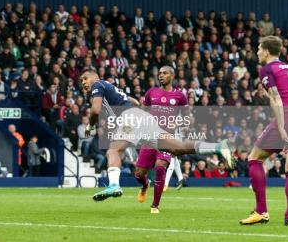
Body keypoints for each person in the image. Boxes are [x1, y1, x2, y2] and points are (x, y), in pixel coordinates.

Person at [82, 70, 233, 202]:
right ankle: (218, 147)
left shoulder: (98, 85)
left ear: (94, 77)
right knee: (177, 148)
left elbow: (95, 110)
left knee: (113, 150)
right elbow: (131, 100)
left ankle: (114, 185)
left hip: (129, 118)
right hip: (143, 118)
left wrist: (90, 125)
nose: (83, 82)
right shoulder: (110, 87)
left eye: (85, 79)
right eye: (81, 80)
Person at [240, 36, 288, 227]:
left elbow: (276, 98)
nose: (256, 52)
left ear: (266, 51)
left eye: (258, 48)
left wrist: (281, 127)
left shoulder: (267, 68)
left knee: (254, 158)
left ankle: (261, 211)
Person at [134, 66, 189, 213]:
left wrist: (177, 123)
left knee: (160, 167)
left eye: (164, 73)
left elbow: (187, 118)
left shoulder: (180, 96)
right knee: (139, 174)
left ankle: (155, 205)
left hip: (166, 139)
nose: (161, 76)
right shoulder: (151, 93)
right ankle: (145, 185)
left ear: (172, 75)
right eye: (159, 73)